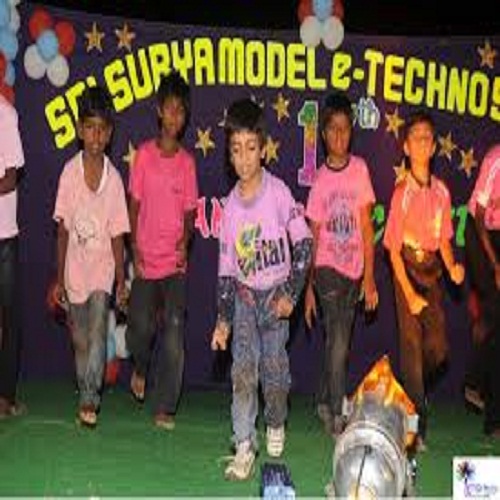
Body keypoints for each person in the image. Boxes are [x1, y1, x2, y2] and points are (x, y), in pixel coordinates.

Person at [210, 98, 312, 480]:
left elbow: (305, 244)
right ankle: (243, 444)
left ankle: (275, 420)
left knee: (275, 373)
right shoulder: (229, 209)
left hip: (276, 299)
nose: (244, 158)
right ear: (228, 155)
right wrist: (223, 320)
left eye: (251, 148)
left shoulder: (279, 192)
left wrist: (292, 294)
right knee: (242, 372)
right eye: (236, 150)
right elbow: (225, 272)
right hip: (244, 299)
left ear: (263, 149)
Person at [383, 110, 465, 451]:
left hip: (431, 272)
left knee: (438, 351)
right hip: (406, 269)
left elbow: (443, 238)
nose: (421, 143)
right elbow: (392, 251)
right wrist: (409, 294)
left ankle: (407, 387)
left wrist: (452, 266)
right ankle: (415, 430)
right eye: (416, 138)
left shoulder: (442, 192)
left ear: (433, 148)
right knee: (412, 349)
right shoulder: (401, 192)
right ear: (406, 147)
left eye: (427, 138)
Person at [53, 86, 130, 427]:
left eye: (102, 129)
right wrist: (59, 278)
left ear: (109, 134)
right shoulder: (69, 173)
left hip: (102, 269)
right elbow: (62, 231)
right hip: (74, 271)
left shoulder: (114, 180)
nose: (96, 136)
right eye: (89, 128)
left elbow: (118, 234)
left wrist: (120, 279)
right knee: (81, 340)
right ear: (79, 130)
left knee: (99, 328)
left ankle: (90, 397)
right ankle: (85, 384)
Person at [126, 70, 198, 430]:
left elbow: (190, 212)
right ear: (158, 110)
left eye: (180, 111)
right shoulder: (143, 156)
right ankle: (140, 367)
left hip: (174, 265)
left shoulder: (187, 163)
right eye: (169, 109)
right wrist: (133, 247)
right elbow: (134, 205)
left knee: (173, 329)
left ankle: (166, 405)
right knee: (138, 328)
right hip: (145, 261)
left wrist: (185, 241)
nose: (174, 117)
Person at [303, 91, 378, 437]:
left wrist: (370, 278)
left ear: (351, 132)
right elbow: (313, 236)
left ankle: (322, 399)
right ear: (323, 134)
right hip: (326, 269)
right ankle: (336, 412)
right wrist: (308, 288)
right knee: (340, 339)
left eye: (345, 129)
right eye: (332, 129)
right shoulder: (320, 180)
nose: (338, 135)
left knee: (337, 340)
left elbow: (366, 227)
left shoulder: (359, 170)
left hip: (354, 270)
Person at [464, 144, 500, 435]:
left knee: (495, 324)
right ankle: (493, 417)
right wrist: (495, 264)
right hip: (480, 235)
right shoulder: (495, 158)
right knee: (495, 314)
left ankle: (475, 382)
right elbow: (478, 215)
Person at [0, 93, 25, 419]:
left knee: (7, 317)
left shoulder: (5, 115)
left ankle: (5, 395)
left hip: (3, 235)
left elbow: (11, 176)